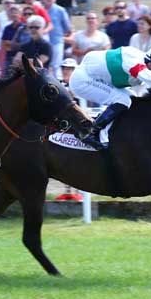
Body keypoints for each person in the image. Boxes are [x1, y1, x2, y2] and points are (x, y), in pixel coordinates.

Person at [69, 45, 151, 150]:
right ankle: (89, 133)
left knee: (132, 99)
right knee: (123, 100)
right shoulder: (133, 61)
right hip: (82, 80)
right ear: (150, 63)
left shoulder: (146, 63)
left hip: (95, 76)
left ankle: (109, 131)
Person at [55, 57, 84, 201]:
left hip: (77, 129)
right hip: (61, 128)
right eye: (64, 68)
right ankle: (67, 192)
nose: (66, 71)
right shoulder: (57, 85)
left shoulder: (80, 86)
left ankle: (77, 191)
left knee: (76, 159)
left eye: (70, 69)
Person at [41, 0, 70, 78]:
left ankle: (58, 86)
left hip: (56, 41)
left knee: (56, 65)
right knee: (44, 66)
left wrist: (60, 34)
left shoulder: (60, 10)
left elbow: (67, 26)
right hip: (43, 43)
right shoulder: (40, 9)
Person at [1, 4, 29, 75]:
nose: (14, 14)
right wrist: (13, 45)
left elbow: (24, 45)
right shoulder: (7, 28)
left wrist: (11, 44)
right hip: (9, 57)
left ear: (20, 14)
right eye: (12, 12)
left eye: (16, 12)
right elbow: (3, 45)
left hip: (20, 59)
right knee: (7, 77)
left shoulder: (24, 28)